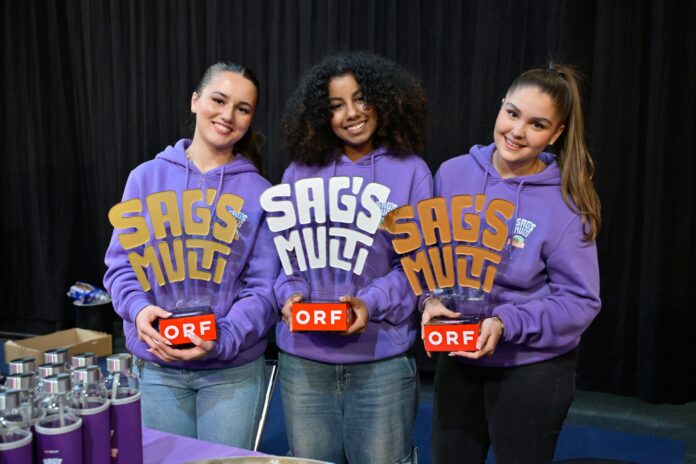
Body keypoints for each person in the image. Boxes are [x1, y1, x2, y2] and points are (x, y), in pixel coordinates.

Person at [424, 64, 601, 463]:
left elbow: (580, 301)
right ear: (501, 106)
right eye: (513, 113)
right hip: (460, 356)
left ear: (555, 133)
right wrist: (430, 299)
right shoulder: (452, 173)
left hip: (532, 365)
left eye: (537, 124)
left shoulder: (566, 200)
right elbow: (429, 258)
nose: (518, 131)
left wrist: (505, 322)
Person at [103, 61, 278, 448]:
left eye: (242, 108)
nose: (227, 115)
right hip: (158, 367)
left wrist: (224, 338)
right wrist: (139, 310)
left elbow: (264, 288)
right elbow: (121, 267)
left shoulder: (260, 192)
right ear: (195, 101)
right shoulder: (145, 178)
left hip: (230, 371)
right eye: (219, 100)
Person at [272, 52, 432, 464]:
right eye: (336, 105)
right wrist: (289, 297)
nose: (352, 113)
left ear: (382, 100)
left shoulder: (412, 172)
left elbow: (417, 268)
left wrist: (369, 303)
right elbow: (285, 262)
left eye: (361, 99)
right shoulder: (299, 172)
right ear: (320, 115)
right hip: (305, 361)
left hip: (382, 362)